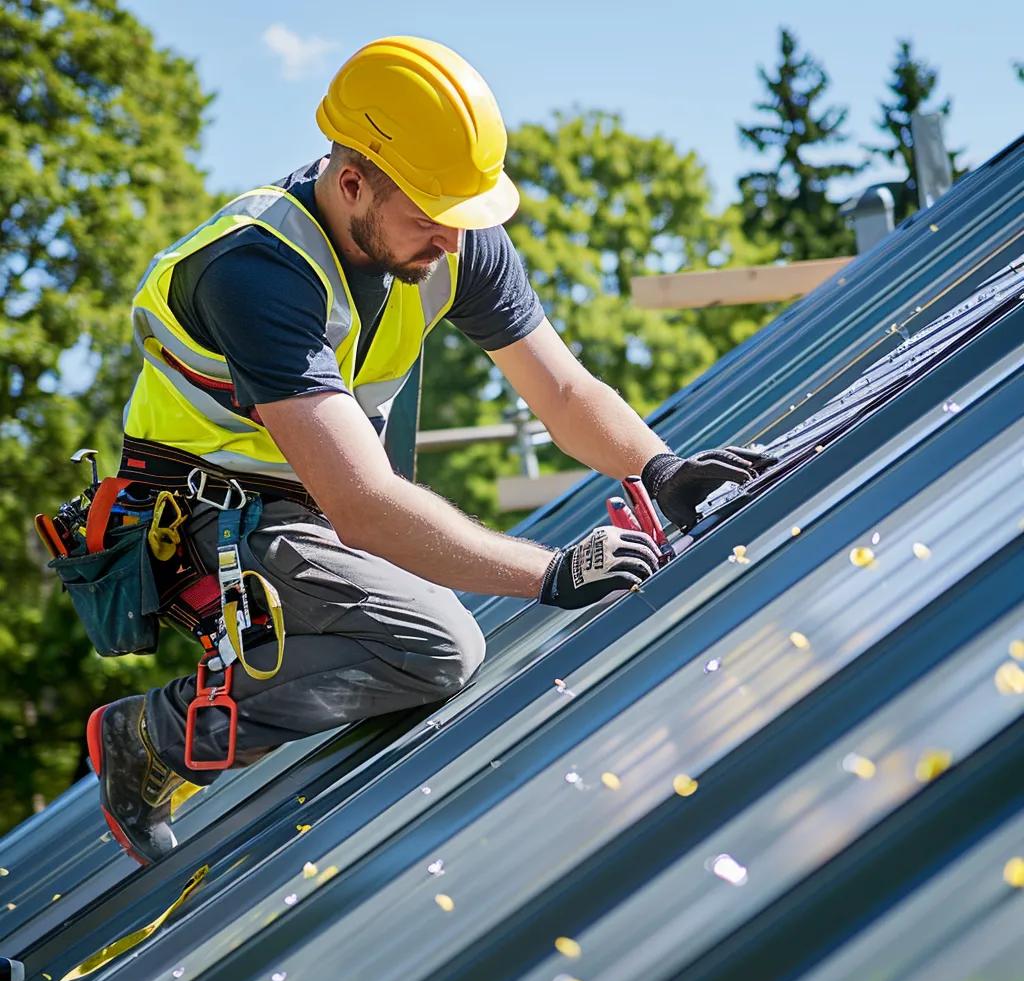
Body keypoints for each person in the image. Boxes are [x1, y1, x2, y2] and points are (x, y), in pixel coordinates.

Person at [87, 36, 773, 864]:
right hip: (216, 516)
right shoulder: (255, 270)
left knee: (426, 613)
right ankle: (150, 737)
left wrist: (659, 469)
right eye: (432, 218)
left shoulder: (451, 228)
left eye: (463, 217)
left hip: (320, 502)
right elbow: (362, 504)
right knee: (437, 646)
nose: (454, 242)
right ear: (351, 184)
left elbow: (561, 391)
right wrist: (550, 575)